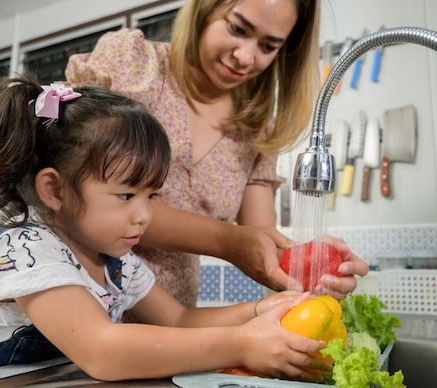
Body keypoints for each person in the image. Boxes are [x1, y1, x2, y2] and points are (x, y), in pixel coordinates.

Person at [0, 76, 332, 381]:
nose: (144, 215)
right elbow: (103, 349)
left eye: (151, 196)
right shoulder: (29, 250)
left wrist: (263, 310)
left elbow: (177, 321)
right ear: (54, 189)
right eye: (126, 196)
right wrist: (243, 344)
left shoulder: (117, 262)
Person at [65, 0, 369, 307]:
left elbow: (261, 243)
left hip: (174, 333)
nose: (245, 57)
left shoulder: (255, 129)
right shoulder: (134, 66)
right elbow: (87, 197)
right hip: (77, 310)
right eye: (237, 29)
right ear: (204, 9)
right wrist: (226, 240)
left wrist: (313, 264)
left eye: (268, 46)